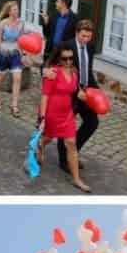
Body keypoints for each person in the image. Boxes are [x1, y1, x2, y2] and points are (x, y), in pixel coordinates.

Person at [38, 44, 89, 192]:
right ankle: (40, 144)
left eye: (71, 59)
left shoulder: (74, 72)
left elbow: (75, 90)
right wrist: (42, 117)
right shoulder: (52, 73)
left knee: (71, 144)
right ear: (59, 59)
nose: (68, 62)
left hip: (67, 114)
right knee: (48, 137)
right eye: (65, 59)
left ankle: (77, 179)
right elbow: (45, 95)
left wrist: (80, 94)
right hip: (52, 113)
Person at [57, 19, 100, 174]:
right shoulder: (66, 46)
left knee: (92, 122)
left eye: (88, 37)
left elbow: (88, 70)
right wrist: (76, 91)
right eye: (83, 36)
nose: (86, 40)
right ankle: (64, 161)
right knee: (65, 128)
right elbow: (62, 71)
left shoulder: (91, 47)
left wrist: (97, 91)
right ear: (77, 33)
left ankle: (73, 152)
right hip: (69, 94)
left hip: (86, 93)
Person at [0, 1, 24, 116]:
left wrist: (23, 54)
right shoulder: (3, 23)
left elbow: (22, 40)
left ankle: (14, 105)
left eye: (17, 9)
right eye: (15, 9)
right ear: (9, 11)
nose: (17, 11)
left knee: (17, 78)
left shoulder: (21, 23)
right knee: (0, 77)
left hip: (15, 53)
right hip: (3, 53)